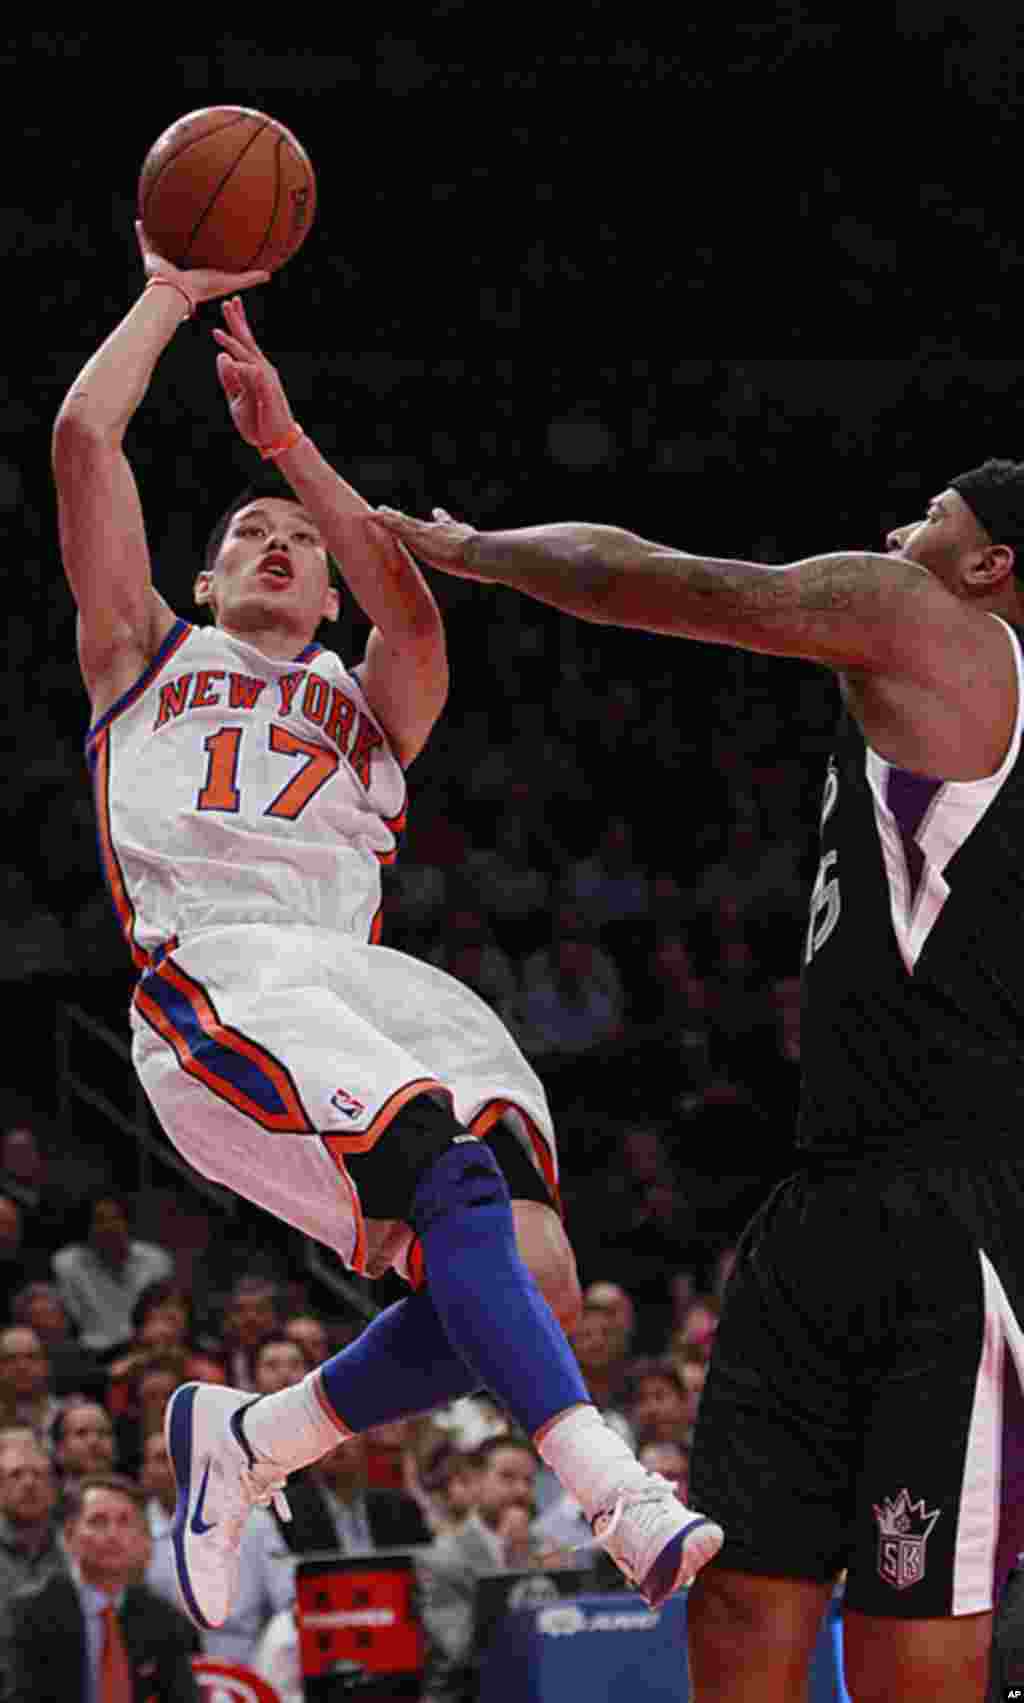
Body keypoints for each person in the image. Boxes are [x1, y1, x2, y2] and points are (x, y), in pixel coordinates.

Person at [51, 234, 720, 1632]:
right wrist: (173, 291)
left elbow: (413, 602)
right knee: (449, 1190)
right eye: (248, 532)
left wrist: (290, 443)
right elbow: (83, 435)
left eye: (300, 537)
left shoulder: (376, 691)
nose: (279, 540)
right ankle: (606, 1474)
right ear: (206, 576)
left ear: (333, 589)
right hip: (217, 969)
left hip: (361, 982)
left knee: (529, 1270)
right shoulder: (143, 653)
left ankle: (259, 1434)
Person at [371, 461, 1024, 1698]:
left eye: (935, 515)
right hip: (820, 1198)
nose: (898, 529)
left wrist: (476, 550)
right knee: (735, 1595)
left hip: (956, 1227)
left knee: (914, 1641)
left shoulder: (936, 628)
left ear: (991, 563)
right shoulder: (929, 700)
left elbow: (648, 581)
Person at [3, 1473, 198, 1702]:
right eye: (98, 1521)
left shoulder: (163, 1619)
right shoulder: (29, 1612)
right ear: (68, 1536)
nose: (113, 1535)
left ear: (143, 1538)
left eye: (125, 1521)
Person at [141, 1429, 293, 1671]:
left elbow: (288, 1600)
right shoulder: (135, 1529)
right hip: (165, 1666)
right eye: (162, 1459)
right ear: (145, 1475)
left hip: (251, 1663)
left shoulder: (254, 1522)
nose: (175, 1466)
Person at [416, 1434, 548, 1703]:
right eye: (508, 1478)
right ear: (475, 1481)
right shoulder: (441, 1558)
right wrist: (514, 1566)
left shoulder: (548, 1553)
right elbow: (462, 1650)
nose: (521, 1491)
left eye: (528, 1482)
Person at [52, 1189, 175, 1358]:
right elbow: (73, 1319)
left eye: (116, 1218)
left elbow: (164, 1314)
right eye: (101, 1220)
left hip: (147, 1348)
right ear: (88, 1226)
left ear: (128, 1223)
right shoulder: (67, 1264)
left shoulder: (155, 1260)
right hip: (92, 1352)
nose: (110, 1226)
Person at [0, 1429, 64, 1602]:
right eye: (16, 1475)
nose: (29, 1484)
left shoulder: (72, 1550)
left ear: (53, 1490)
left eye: (38, 1475)